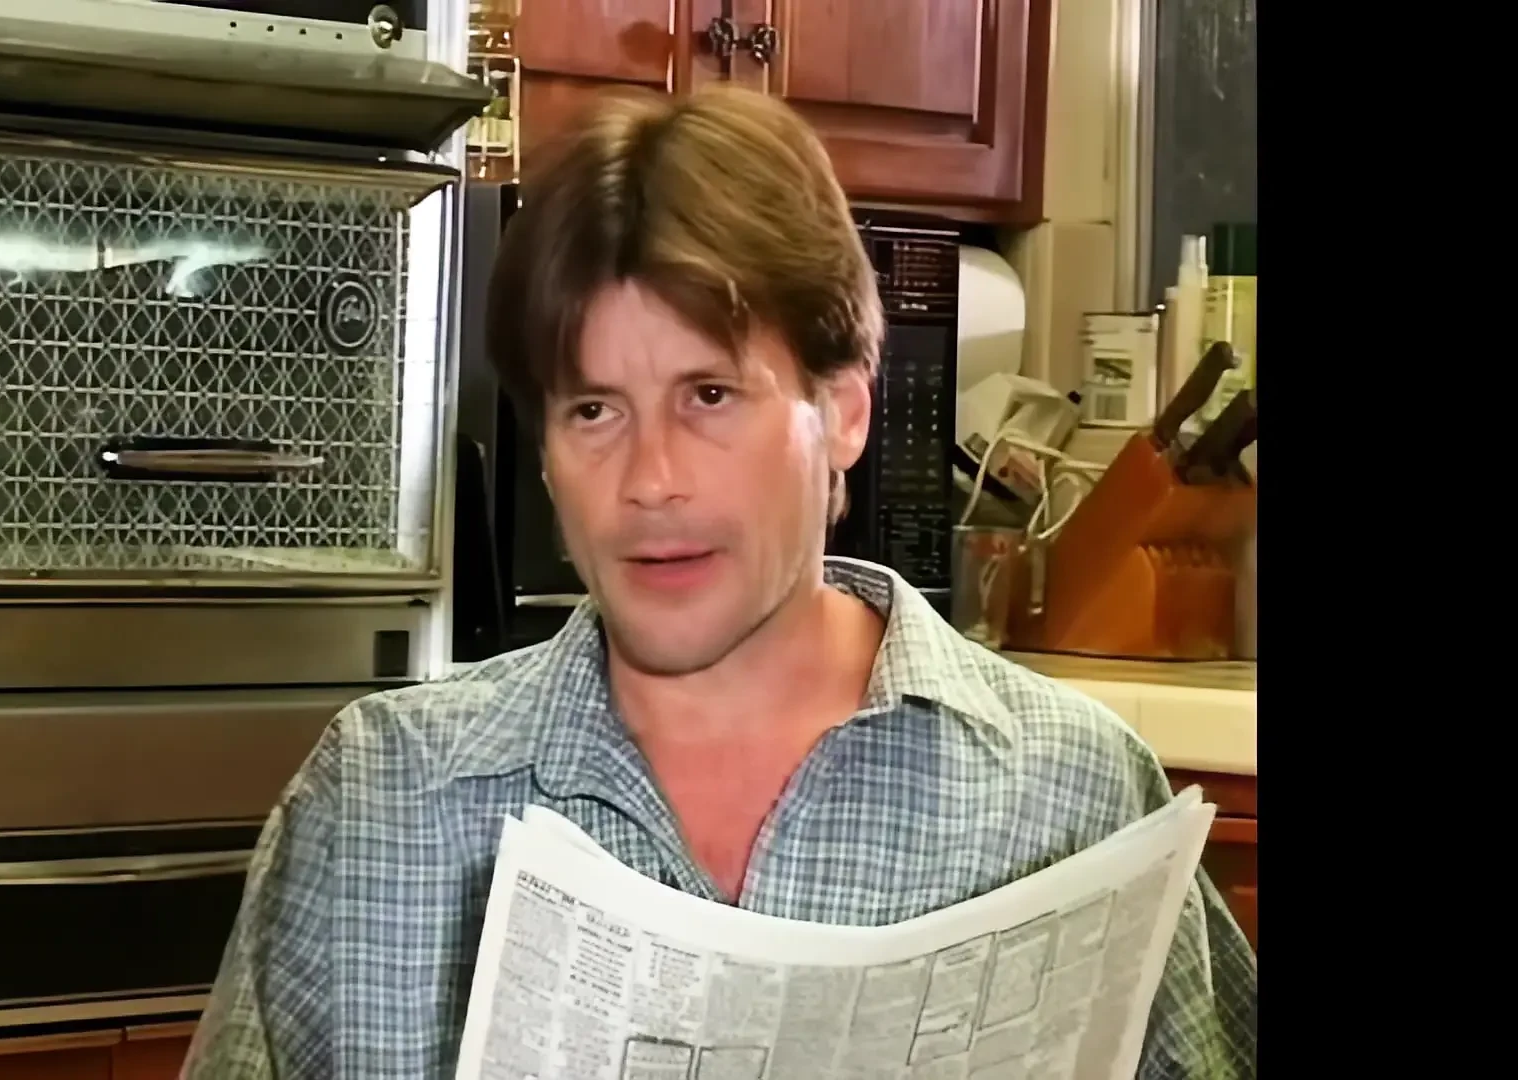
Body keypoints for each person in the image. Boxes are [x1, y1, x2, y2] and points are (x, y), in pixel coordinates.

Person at [184, 85, 1256, 1080]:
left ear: (844, 410)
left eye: (709, 395)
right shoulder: (381, 802)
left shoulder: (1073, 795)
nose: (649, 480)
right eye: (593, 410)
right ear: (544, 450)